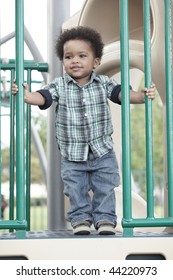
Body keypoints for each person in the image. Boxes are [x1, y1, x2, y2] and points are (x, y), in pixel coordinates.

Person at [12, 26, 156, 235]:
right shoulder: (59, 85)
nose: (75, 61)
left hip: (102, 150)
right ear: (63, 61)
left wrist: (140, 97)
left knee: (105, 186)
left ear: (95, 61)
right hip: (72, 153)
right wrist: (28, 96)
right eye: (68, 57)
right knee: (74, 188)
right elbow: (43, 97)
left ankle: (105, 219)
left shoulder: (103, 83)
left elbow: (121, 94)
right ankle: (80, 220)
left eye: (82, 56)